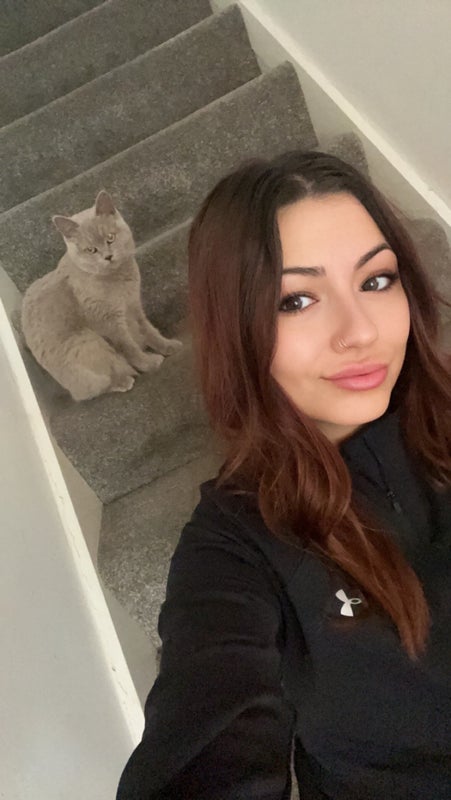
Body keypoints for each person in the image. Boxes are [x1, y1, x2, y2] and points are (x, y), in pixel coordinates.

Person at [116, 151, 451, 800]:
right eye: (296, 300)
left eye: (376, 280)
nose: (359, 332)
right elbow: (209, 721)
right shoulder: (233, 547)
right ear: (239, 330)